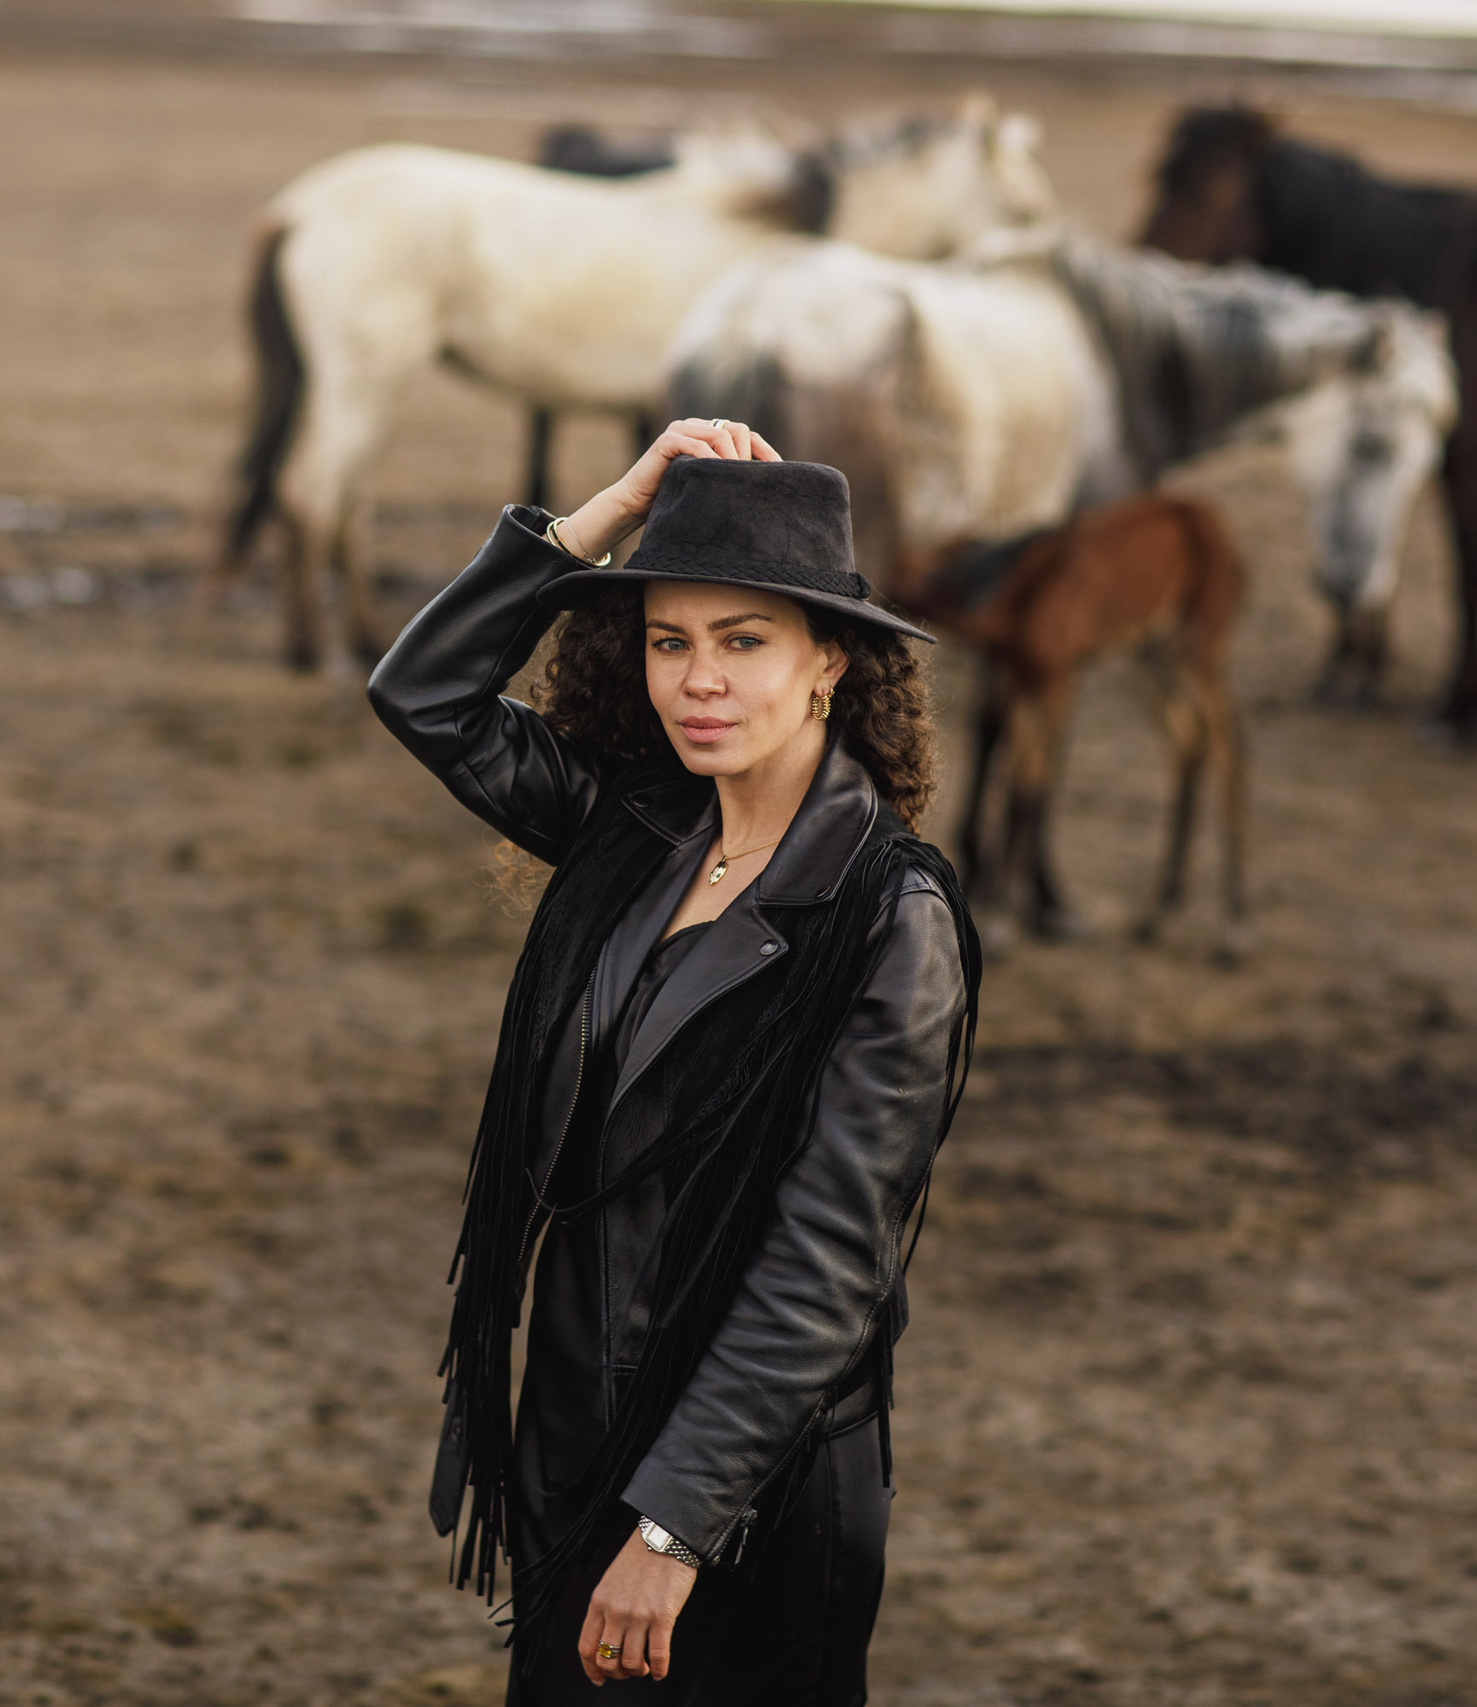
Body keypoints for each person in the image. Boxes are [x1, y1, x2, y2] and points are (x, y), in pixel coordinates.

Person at [367, 418, 980, 1703]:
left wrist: (673, 1528)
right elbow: (422, 694)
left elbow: (827, 1263)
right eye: (668, 641)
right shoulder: (630, 823)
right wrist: (607, 512)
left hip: (744, 1490)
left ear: (828, 665)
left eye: (743, 641)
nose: (699, 680)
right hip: (571, 1434)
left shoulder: (889, 919)